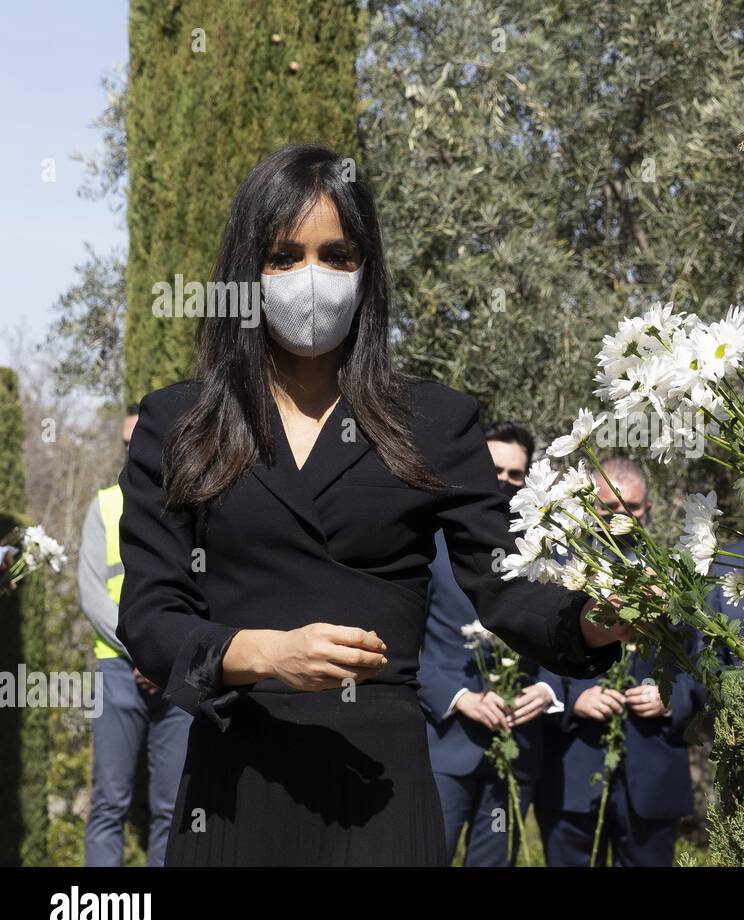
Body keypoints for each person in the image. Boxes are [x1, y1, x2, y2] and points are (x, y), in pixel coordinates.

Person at [116, 144, 631, 866]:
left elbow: (506, 588)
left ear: (368, 268)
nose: (311, 280)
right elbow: (148, 617)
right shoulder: (182, 424)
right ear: (245, 270)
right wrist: (267, 653)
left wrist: (597, 619)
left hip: (381, 792)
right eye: (284, 256)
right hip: (233, 791)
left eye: (337, 254)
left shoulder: (434, 421)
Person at [534, 458, 705, 866]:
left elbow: (700, 666)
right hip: (573, 766)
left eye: (630, 508)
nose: (617, 518)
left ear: (646, 509)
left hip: (652, 770)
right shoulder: (560, 571)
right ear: (590, 505)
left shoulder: (675, 575)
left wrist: (671, 699)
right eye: (607, 508)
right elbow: (531, 647)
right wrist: (572, 696)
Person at [419, 420, 561, 865]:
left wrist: (547, 689)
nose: (503, 481)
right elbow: (401, 641)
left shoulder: (547, 553)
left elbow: (563, 633)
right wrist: (458, 697)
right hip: (444, 742)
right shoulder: (430, 544)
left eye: (515, 475)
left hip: (516, 748)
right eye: (493, 469)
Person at [81, 405, 193, 867]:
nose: (134, 452)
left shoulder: (188, 507)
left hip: (173, 677)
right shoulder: (104, 506)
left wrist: (164, 658)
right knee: (110, 802)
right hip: (117, 671)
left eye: (140, 442)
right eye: (126, 445)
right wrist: (147, 650)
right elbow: (91, 595)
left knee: (174, 807)